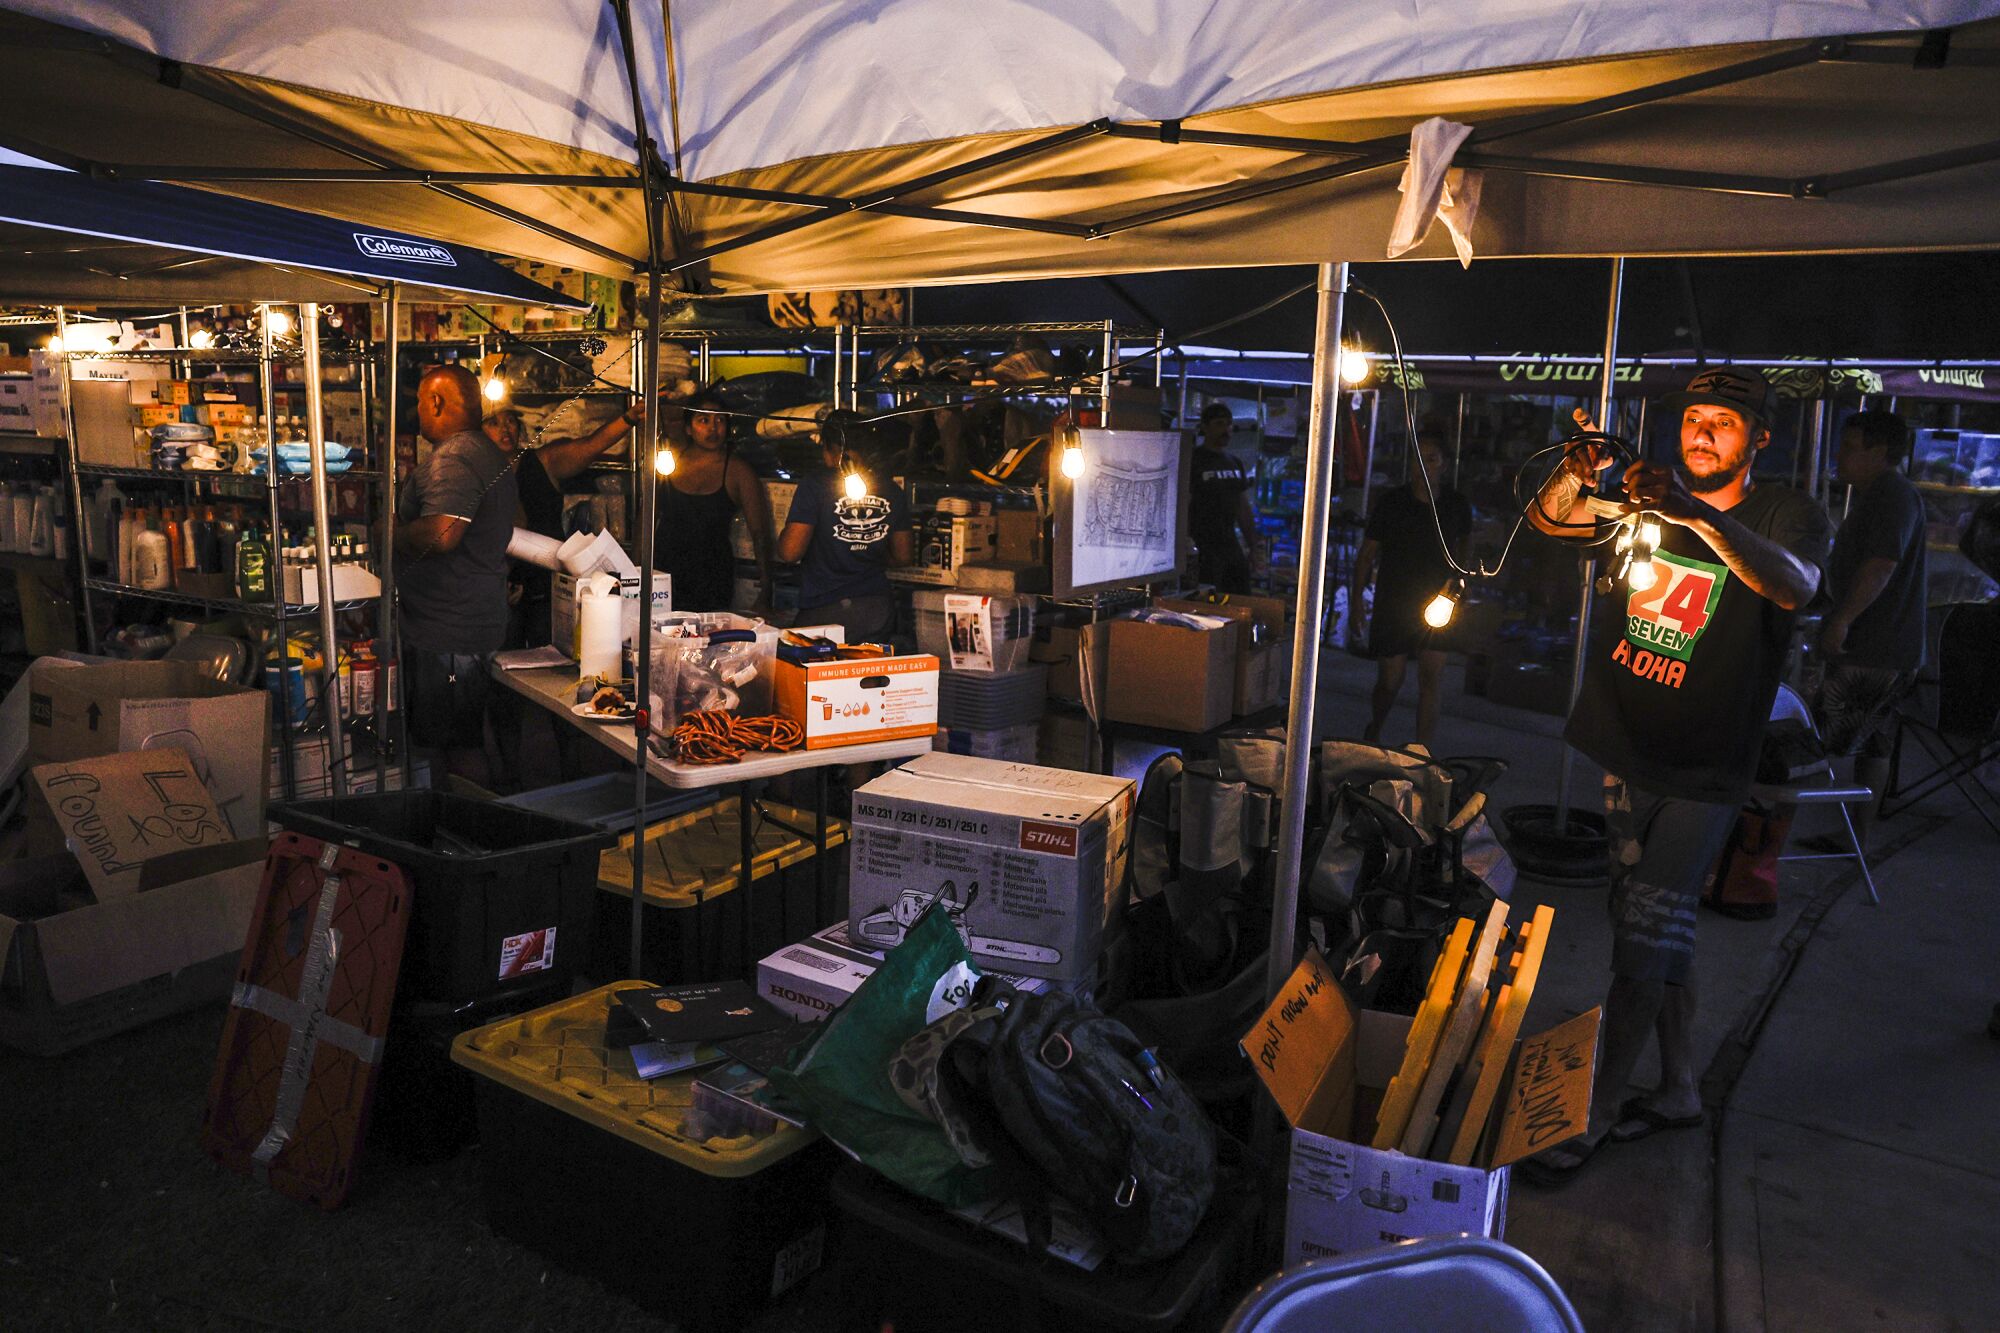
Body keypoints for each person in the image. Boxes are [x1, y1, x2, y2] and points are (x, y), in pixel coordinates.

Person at [1522, 367, 1832, 1182]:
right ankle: (1681, 1085)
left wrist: (1692, 511)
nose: (1701, 434)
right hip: (1627, 746)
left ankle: (1590, 1114)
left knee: (1643, 938)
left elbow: (1795, 585)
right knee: (1657, 932)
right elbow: (1549, 519)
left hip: (1705, 767)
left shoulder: (1784, 512)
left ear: (1759, 437)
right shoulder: (1643, 492)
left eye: (1722, 424)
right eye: (1693, 419)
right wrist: (1578, 470)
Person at [394, 364, 520, 789]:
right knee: (463, 737)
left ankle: (468, 835)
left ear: (435, 401)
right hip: (466, 622)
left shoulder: (456, 456)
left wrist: (389, 533)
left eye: (419, 404)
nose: (419, 413)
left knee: (457, 746)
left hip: (450, 633)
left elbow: (444, 533)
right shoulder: (484, 452)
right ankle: (471, 829)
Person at [1812, 408, 1926, 845]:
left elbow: (1881, 565)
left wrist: (1841, 621)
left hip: (1875, 647)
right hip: (1889, 646)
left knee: (1812, 742)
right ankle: (1855, 837)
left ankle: (1770, 831)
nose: (1839, 455)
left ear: (1880, 453)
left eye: (1850, 448)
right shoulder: (1885, 494)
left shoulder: (1890, 496)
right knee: (1874, 742)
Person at [1352, 431, 1473, 751]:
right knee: (1390, 680)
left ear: (1444, 464)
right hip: (1394, 601)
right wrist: (1356, 604)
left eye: (1431, 459)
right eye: (1418, 459)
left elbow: (1465, 551)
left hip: (1439, 600)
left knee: (1431, 679)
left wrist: (1461, 588)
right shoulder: (1392, 503)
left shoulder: (1456, 505)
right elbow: (1366, 553)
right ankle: (1374, 728)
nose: (1423, 466)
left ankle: (1422, 752)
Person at [777, 413, 913, 643]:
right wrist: (866, 549)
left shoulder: (815, 485)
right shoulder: (891, 490)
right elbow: (903, 555)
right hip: (877, 608)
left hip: (826, 609)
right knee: (865, 676)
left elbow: (790, 552)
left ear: (831, 448)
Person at [655, 389, 772, 615]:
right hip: (664, 576)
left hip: (712, 578)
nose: (713, 427)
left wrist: (766, 591)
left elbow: (760, 535)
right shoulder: (667, 463)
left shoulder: (738, 471)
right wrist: (637, 573)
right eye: (703, 420)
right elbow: (647, 518)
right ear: (688, 428)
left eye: (719, 420)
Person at [1189, 402, 1261, 593]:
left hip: (1229, 542)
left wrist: (1253, 546)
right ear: (1205, 426)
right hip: (1201, 544)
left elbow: (1242, 506)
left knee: (1240, 593)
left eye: (1229, 424)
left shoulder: (1234, 463)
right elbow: (1181, 503)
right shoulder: (1193, 460)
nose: (1226, 430)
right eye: (1219, 424)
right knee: (1209, 598)